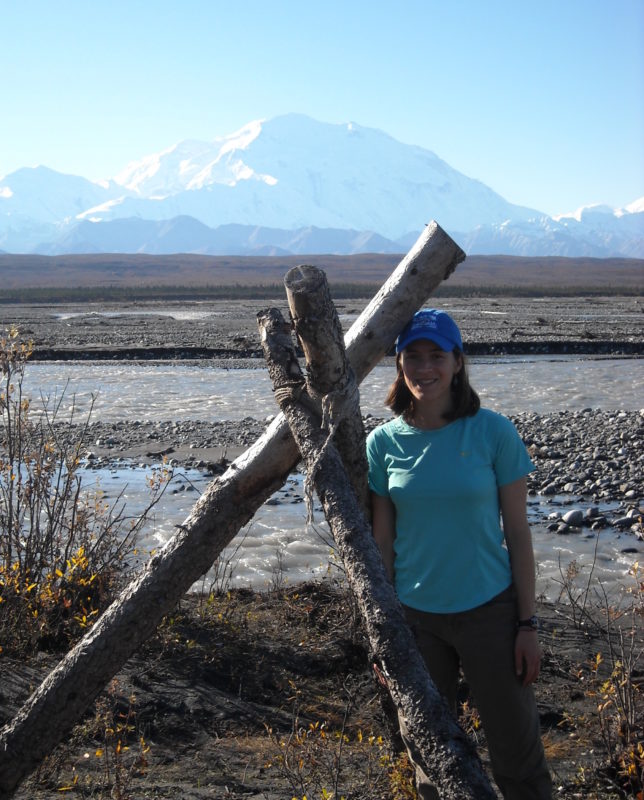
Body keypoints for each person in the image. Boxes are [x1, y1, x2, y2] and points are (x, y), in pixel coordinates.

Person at [366, 308, 552, 800]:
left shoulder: (493, 432)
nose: (425, 368)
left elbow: (518, 533)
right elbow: (381, 544)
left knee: (518, 759)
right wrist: (386, 632)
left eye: (437, 356)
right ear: (399, 365)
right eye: (413, 356)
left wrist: (527, 624)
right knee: (431, 757)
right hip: (416, 620)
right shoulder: (383, 444)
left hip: (491, 612)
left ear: (457, 363)